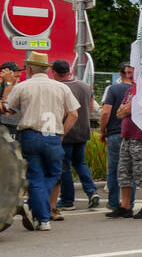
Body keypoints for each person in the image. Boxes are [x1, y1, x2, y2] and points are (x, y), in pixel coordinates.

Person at [1, 52, 79, 231]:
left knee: (34, 177)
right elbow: (74, 114)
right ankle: (41, 212)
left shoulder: (23, 86)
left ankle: (43, 220)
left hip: (30, 134)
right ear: (47, 69)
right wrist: (62, 134)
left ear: (29, 68)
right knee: (53, 174)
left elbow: (9, 110)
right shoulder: (61, 88)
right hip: (53, 136)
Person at [51, 59, 99, 211]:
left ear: (54, 72)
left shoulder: (59, 87)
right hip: (83, 131)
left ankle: (67, 200)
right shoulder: (84, 85)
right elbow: (91, 107)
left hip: (66, 132)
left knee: (64, 166)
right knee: (80, 163)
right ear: (69, 70)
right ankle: (92, 192)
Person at [108, 74, 142, 219]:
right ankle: (125, 206)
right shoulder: (130, 91)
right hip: (127, 135)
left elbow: (135, 108)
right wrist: (128, 108)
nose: (133, 76)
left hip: (141, 137)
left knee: (141, 172)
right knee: (123, 171)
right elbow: (119, 112)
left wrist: (128, 109)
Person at [100, 64, 136, 217]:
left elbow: (105, 112)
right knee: (130, 170)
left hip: (115, 133)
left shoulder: (113, 89)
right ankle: (129, 204)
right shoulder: (138, 90)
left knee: (114, 170)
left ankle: (114, 203)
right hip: (133, 134)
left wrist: (102, 131)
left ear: (120, 75)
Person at [0, 62, 20, 132]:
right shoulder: (5, 87)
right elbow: (4, 110)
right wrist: (8, 84)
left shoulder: (18, 89)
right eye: (16, 76)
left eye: (19, 76)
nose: (19, 80)